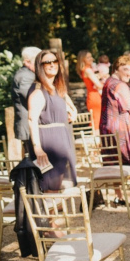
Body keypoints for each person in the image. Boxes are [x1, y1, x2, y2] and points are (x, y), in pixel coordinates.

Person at [27, 50, 78, 192]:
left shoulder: (55, 86)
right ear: (40, 66)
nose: (52, 65)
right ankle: (49, 213)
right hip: (48, 142)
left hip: (61, 139)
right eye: (47, 62)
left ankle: (54, 212)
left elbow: (63, 96)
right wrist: (37, 148)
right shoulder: (38, 90)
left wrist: (73, 109)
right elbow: (31, 119)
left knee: (57, 183)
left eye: (55, 61)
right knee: (49, 184)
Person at [100, 55, 130, 206]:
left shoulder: (108, 82)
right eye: (125, 69)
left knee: (113, 161)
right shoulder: (120, 85)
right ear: (116, 69)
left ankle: (119, 197)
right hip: (122, 130)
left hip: (107, 129)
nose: (128, 73)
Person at [11, 46, 41, 155]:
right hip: (28, 127)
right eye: (37, 62)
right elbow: (33, 100)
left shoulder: (30, 74)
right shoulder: (25, 77)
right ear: (27, 62)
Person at [76, 50, 104, 131]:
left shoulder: (86, 69)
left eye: (91, 56)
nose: (91, 59)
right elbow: (98, 85)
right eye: (88, 57)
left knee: (96, 120)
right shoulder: (87, 70)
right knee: (96, 122)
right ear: (83, 59)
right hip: (95, 97)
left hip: (92, 95)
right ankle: (97, 142)